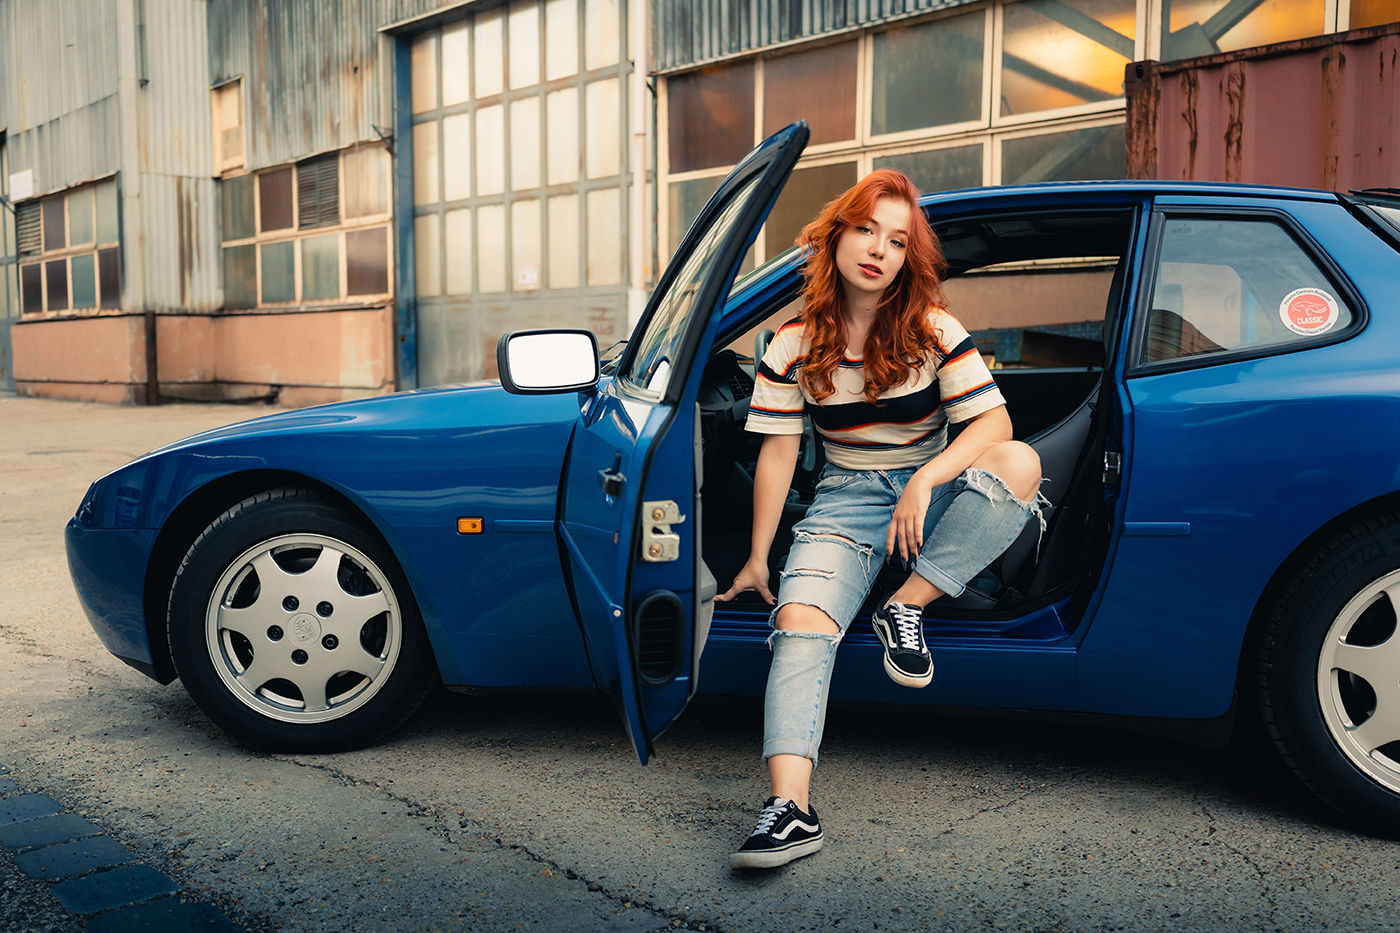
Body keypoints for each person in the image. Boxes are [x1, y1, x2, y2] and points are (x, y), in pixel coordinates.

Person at [716, 169, 1045, 870]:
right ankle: (789, 808)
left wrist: (925, 478)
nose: (878, 249)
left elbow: (994, 420)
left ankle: (907, 604)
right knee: (800, 621)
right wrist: (756, 556)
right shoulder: (792, 342)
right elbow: (777, 453)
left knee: (1019, 462)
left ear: (907, 258)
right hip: (844, 497)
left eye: (897, 240)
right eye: (866, 229)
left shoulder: (933, 329)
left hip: (933, 492)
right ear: (836, 236)